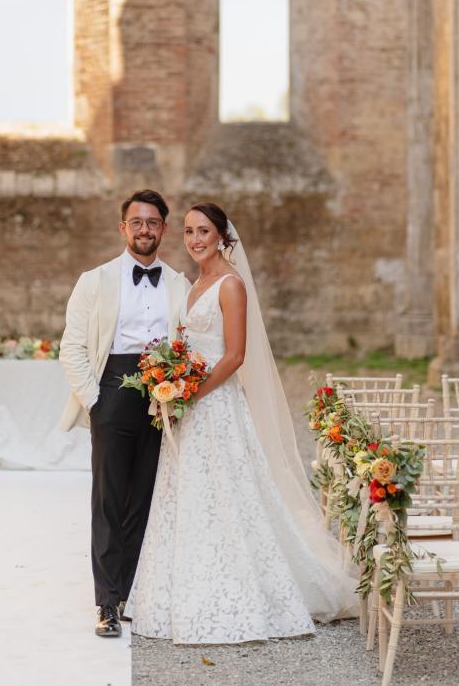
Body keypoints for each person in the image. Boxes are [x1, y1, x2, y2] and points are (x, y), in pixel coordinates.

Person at [125, 202, 358, 644]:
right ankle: (182, 591)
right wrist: (168, 384)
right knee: (190, 492)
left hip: (216, 405)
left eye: (204, 231)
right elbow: (184, 347)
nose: (195, 240)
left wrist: (190, 394)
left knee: (229, 492)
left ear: (222, 236)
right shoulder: (193, 285)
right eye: (189, 231)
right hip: (188, 404)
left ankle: (244, 593)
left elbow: (234, 356)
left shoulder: (230, 285)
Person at [59, 189, 189, 638]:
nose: (144, 230)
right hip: (112, 389)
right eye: (137, 222)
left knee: (146, 496)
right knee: (109, 499)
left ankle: (132, 592)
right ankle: (106, 602)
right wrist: (95, 400)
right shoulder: (94, 281)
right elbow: (73, 346)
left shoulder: (180, 285)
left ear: (164, 229)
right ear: (123, 228)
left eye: (152, 222)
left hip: (163, 394)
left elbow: (188, 342)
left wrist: (178, 392)